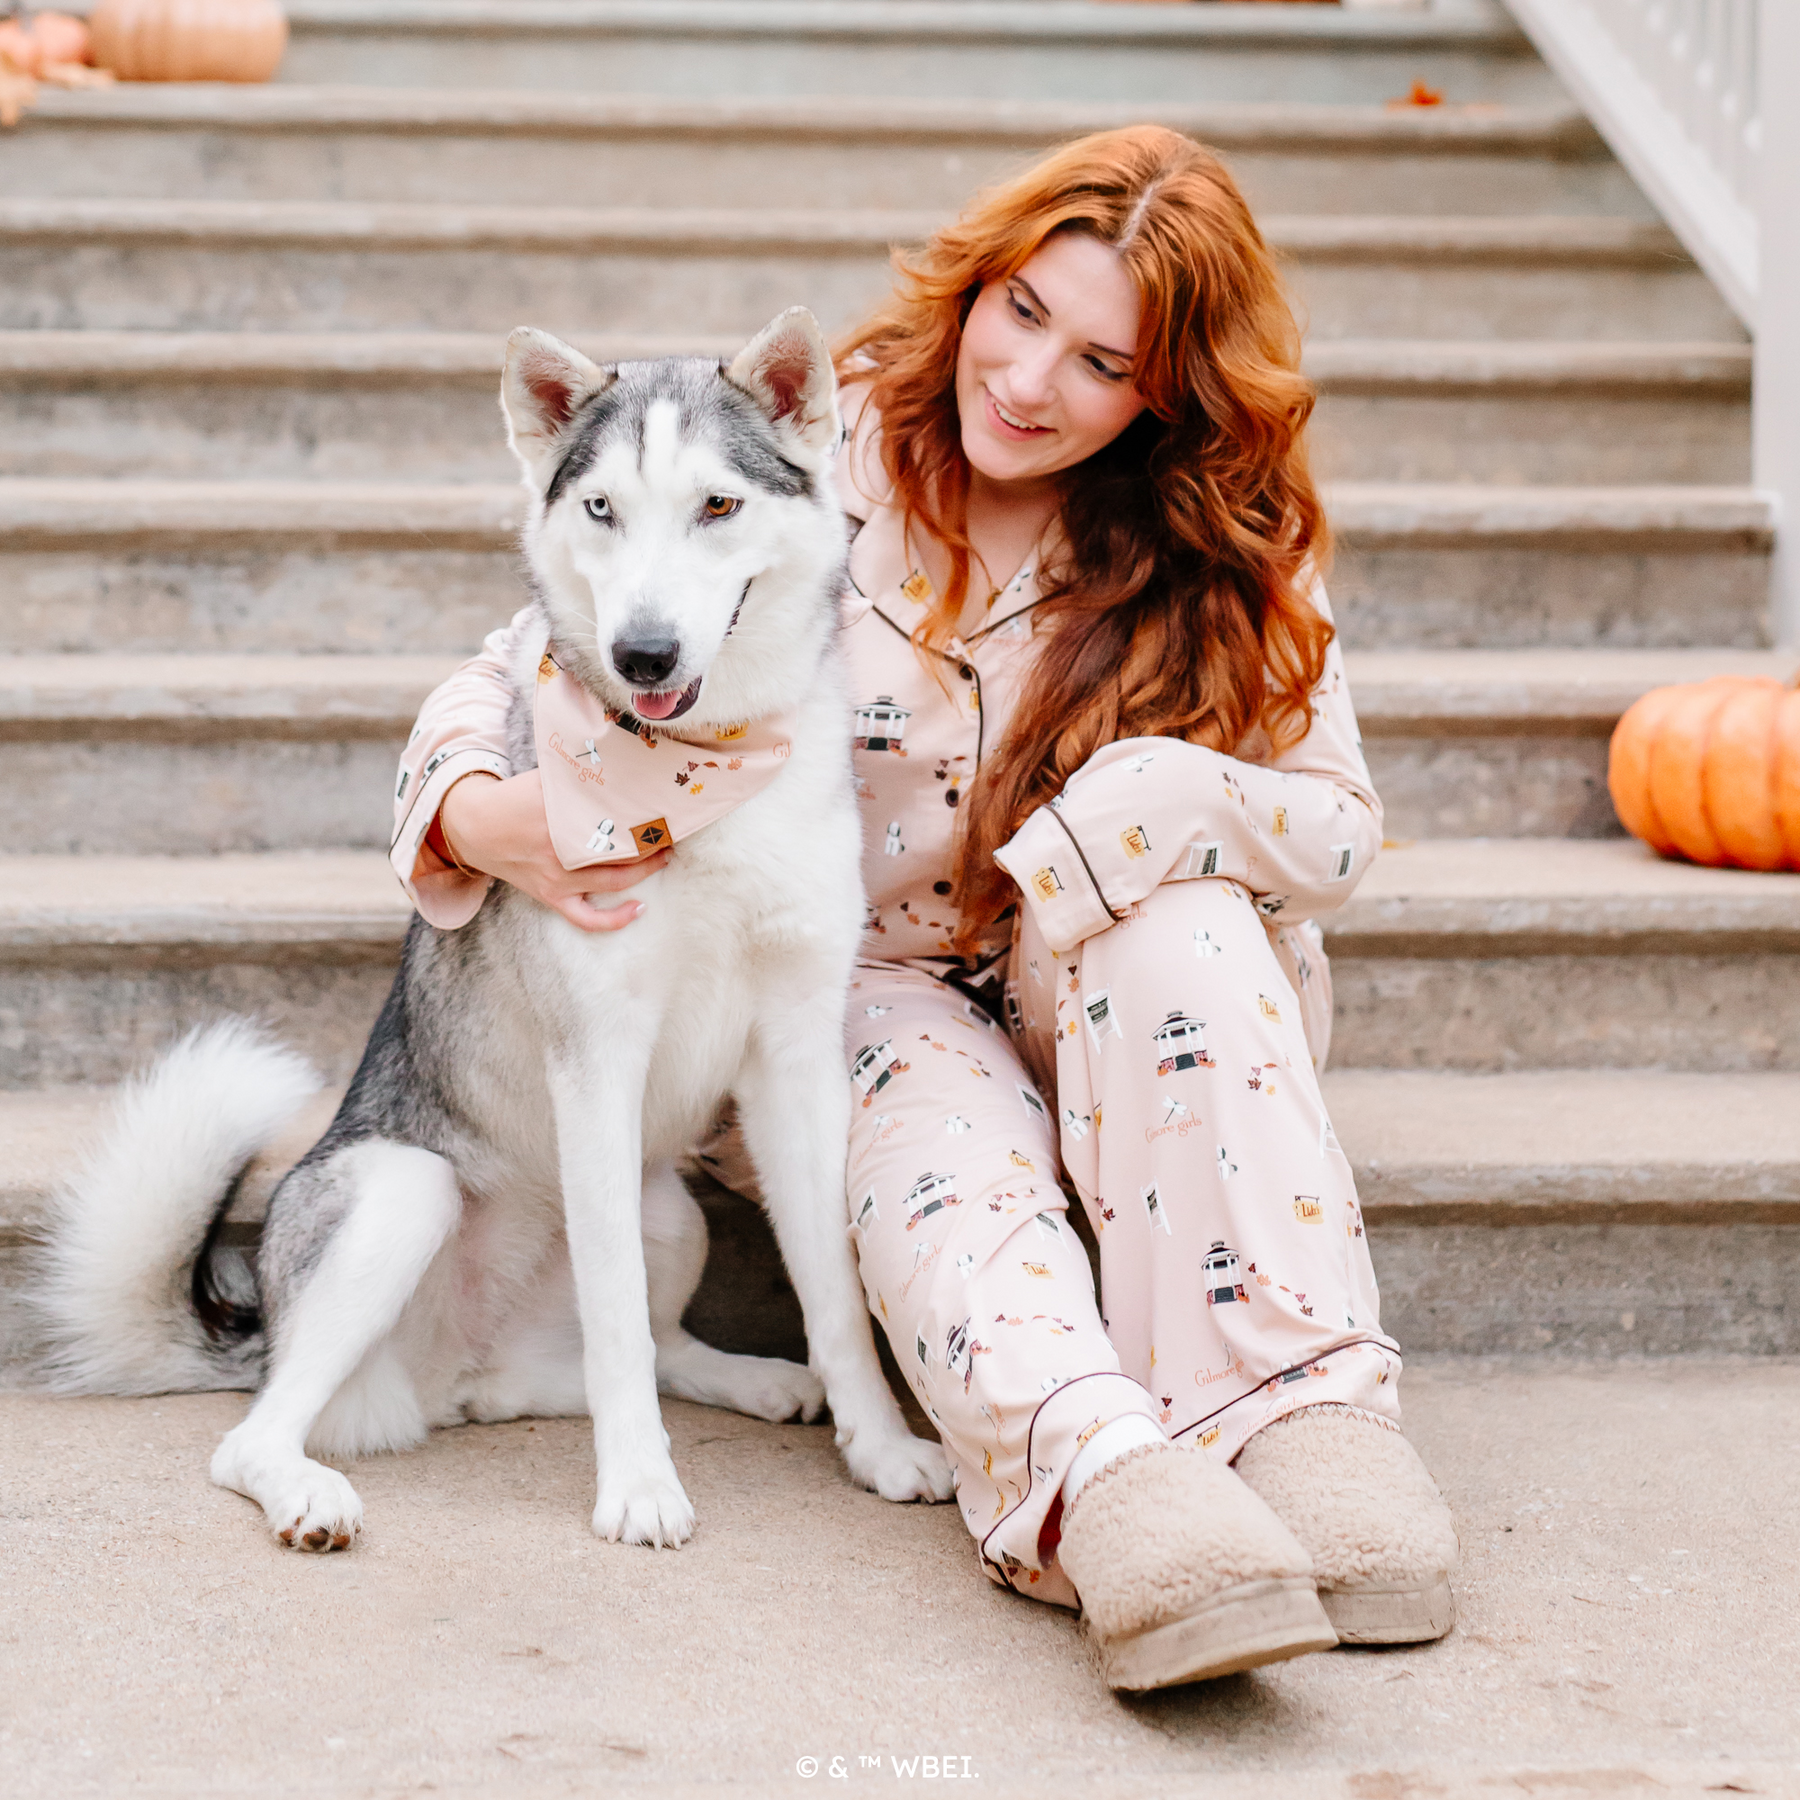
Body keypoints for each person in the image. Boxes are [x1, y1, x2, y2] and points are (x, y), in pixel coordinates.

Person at [389, 126, 1458, 1691]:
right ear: (979, 283)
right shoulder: (824, 454)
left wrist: (1173, 797)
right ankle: (1103, 1474)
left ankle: (1305, 1417)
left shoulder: (1217, 550)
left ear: (1168, 393)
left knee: (1191, 922)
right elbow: (531, 659)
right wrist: (488, 821)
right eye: (1020, 311)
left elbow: (1341, 825)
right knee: (887, 1078)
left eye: (1100, 361)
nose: (1028, 381)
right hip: (866, 987)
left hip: (1124, 994)